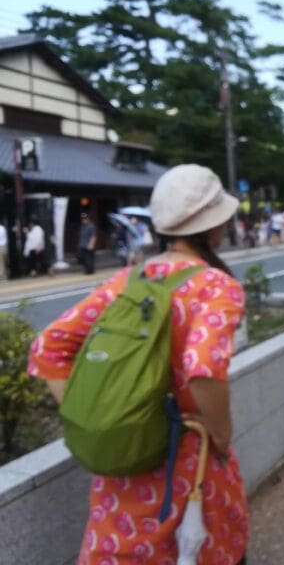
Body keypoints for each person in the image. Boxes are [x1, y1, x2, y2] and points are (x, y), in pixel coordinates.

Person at [27, 164, 249, 564]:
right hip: (188, 466)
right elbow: (201, 366)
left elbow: (48, 346)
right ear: (213, 224)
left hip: (124, 473)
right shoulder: (216, 286)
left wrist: (103, 415)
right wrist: (220, 434)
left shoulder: (129, 280)